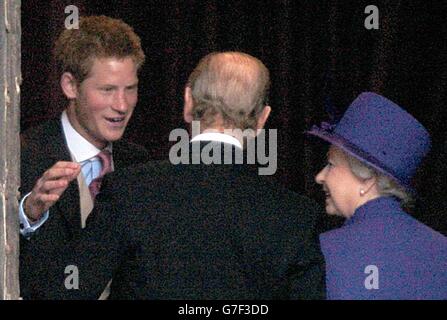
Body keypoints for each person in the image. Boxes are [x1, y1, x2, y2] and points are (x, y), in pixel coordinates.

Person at [38, 51, 325, 299]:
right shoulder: (296, 216)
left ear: (188, 102)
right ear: (262, 119)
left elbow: (67, 290)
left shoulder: (130, 190)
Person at [19, 15, 148, 299]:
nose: (122, 105)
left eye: (131, 89)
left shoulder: (142, 166)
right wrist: (26, 215)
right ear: (70, 86)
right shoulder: (22, 158)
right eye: (107, 90)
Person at [307, 92, 447, 299]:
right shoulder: (442, 250)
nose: (320, 177)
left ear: (367, 178)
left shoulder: (324, 252)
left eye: (331, 164)